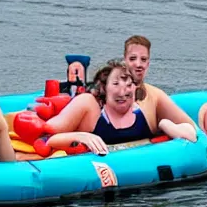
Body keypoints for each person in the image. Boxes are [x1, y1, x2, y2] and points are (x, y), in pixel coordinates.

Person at [43, 59, 196, 153]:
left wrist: (166, 125)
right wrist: (81, 136)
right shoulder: (89, 106)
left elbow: (193, 133)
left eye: (128, 85)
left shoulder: (147, 108)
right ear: (104, 88)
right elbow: (46, 137)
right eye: (116, 84)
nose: (122, 91)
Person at [123, 35, 196, 132]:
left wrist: (168, 127)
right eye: (132, 58)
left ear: (148, 64)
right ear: (124, 61)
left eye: (143, 59)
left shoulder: (156, 96)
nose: (138, 64)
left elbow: (192, 128)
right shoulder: (106, 92)